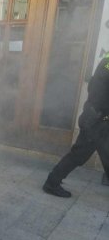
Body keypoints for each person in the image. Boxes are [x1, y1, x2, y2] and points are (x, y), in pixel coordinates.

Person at [43, 52, 109, 197]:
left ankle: (53, 181)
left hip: (97, 117)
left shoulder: (105, 61)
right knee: (78, 155)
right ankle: (51, 183)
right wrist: (98, 114)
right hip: (97, 120)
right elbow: (99, 92)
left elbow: (94, 86)